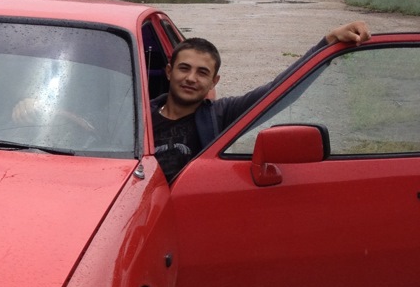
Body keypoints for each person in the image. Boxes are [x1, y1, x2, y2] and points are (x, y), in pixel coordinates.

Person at [151, 19, 371, 182]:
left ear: (213, 82)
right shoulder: (138, 117)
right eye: (184, 68)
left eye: (202, 73)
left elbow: (279, 90)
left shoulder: (219, 115)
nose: (191, 78)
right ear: (169, 72)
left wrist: (327, 43)